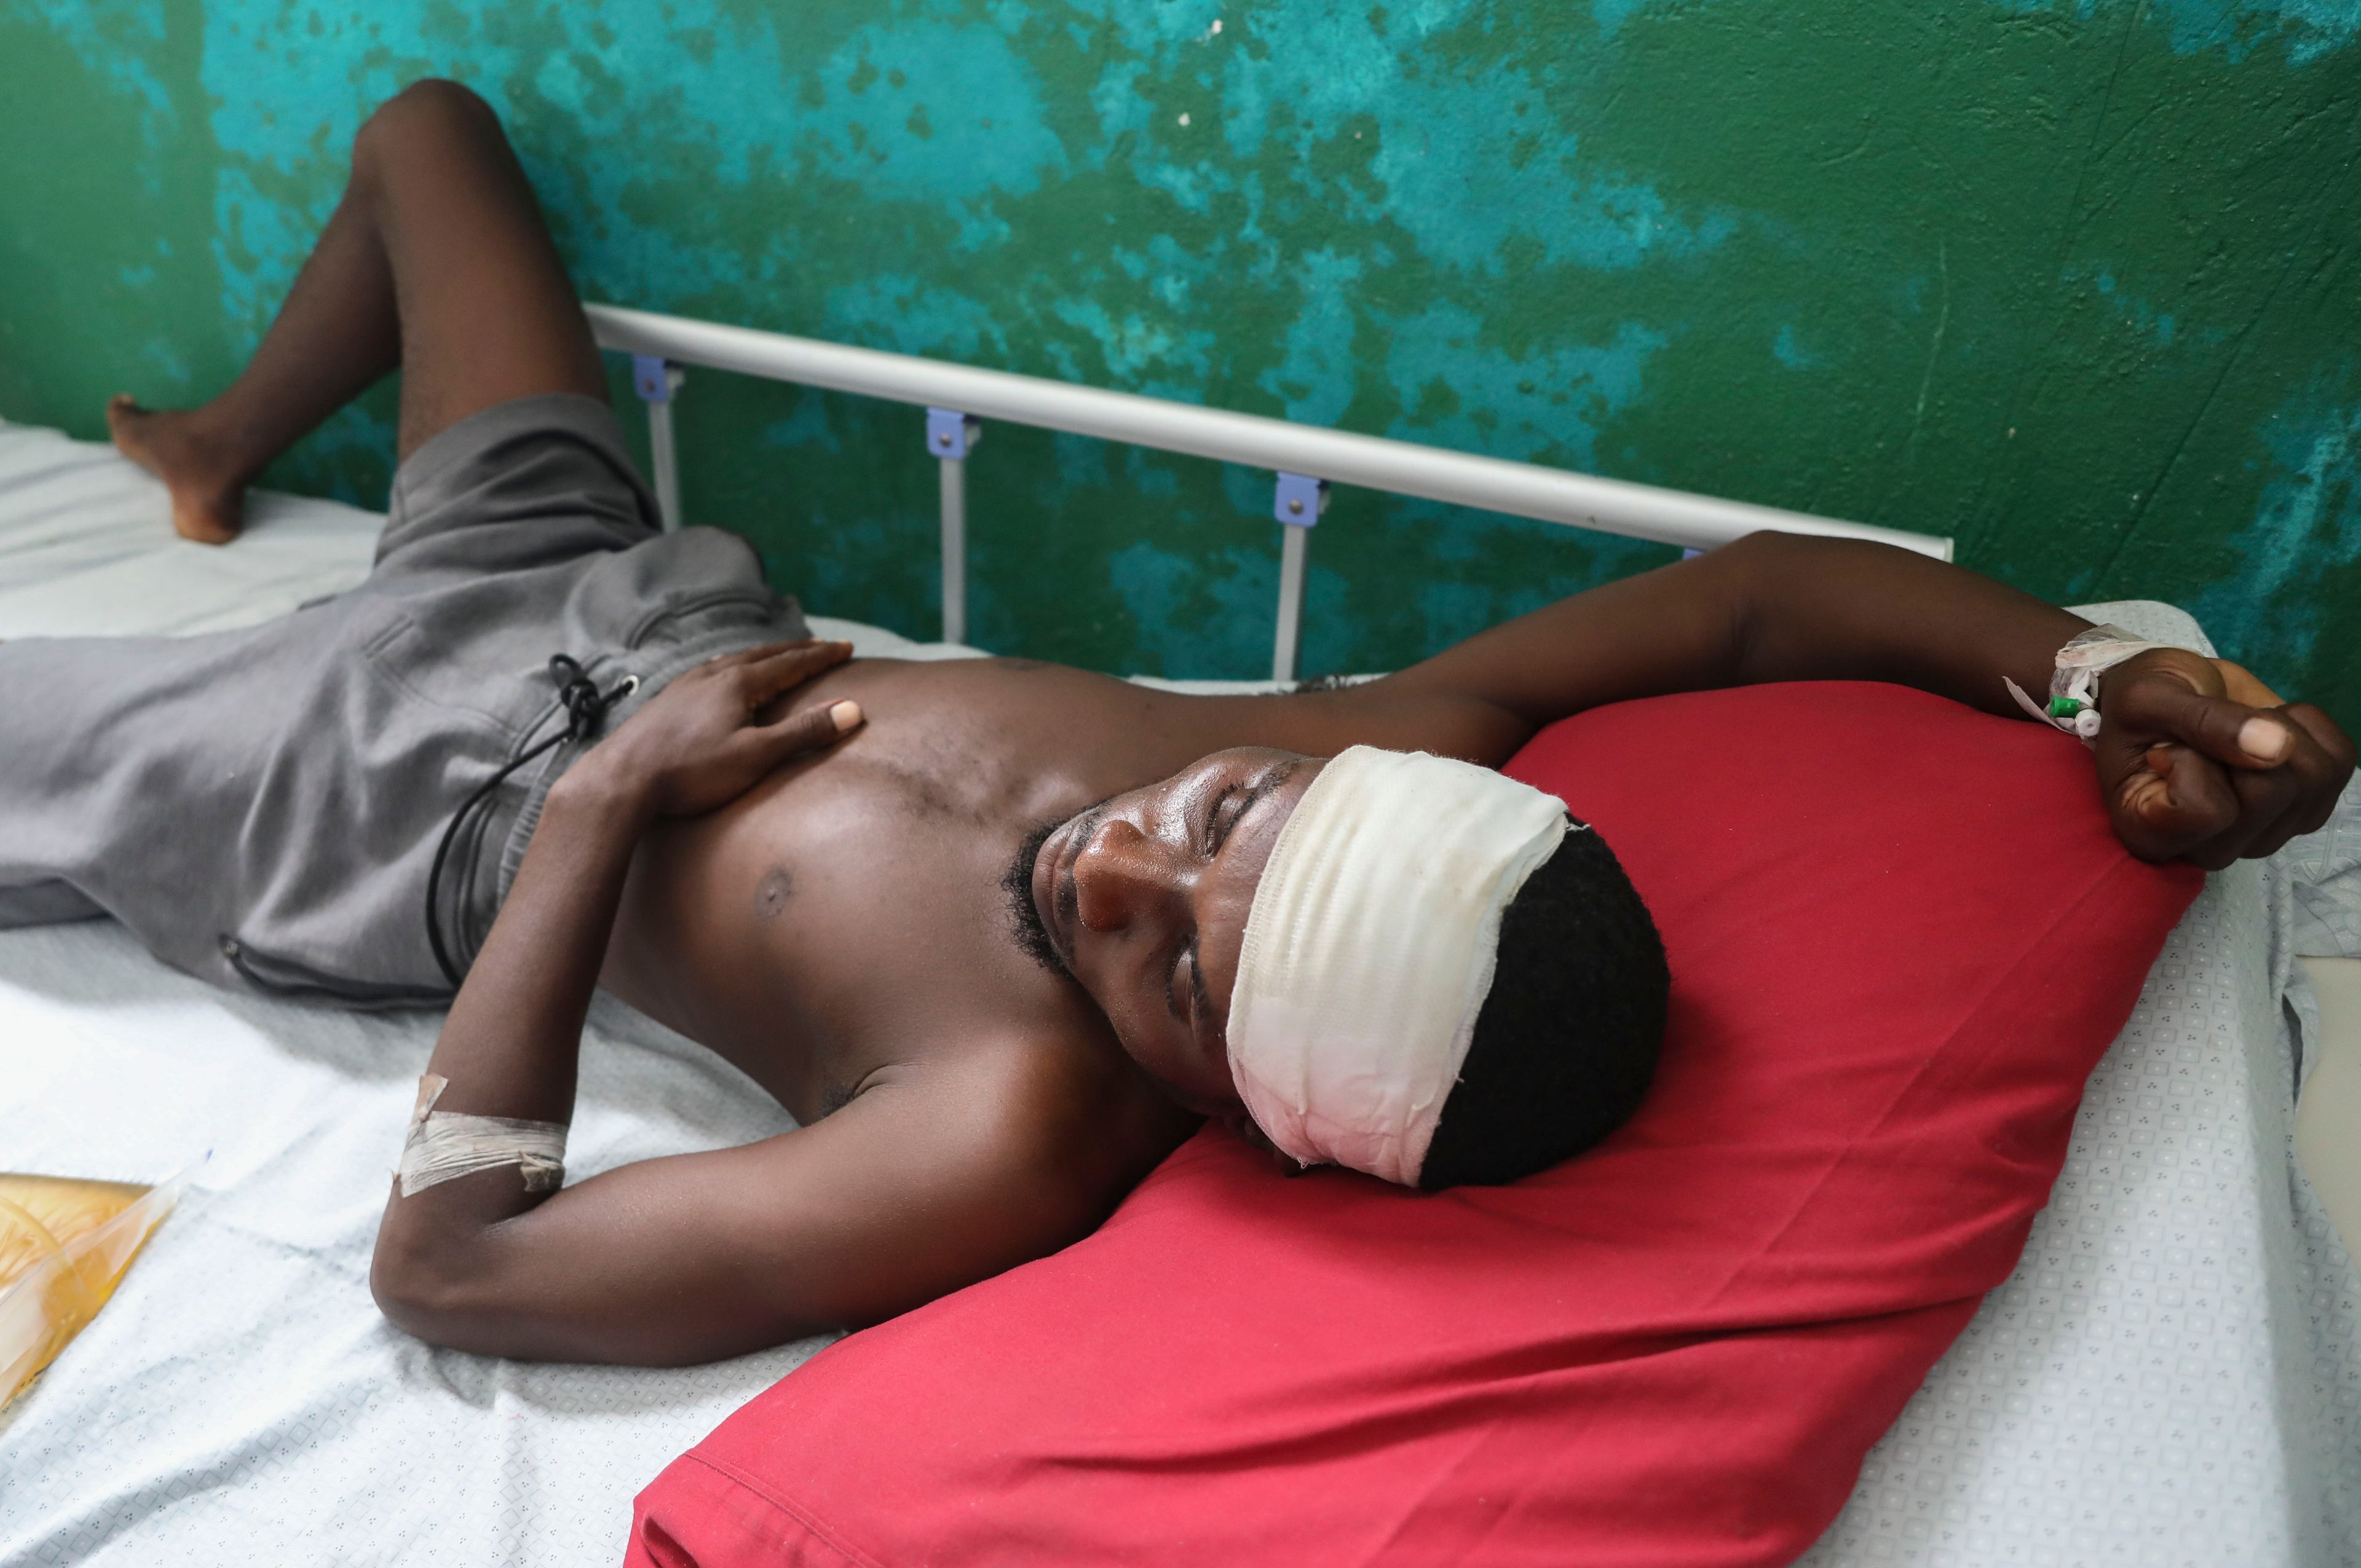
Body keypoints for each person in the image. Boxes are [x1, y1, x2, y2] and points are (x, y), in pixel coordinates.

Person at [7, 81, 2348, 1368]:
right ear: (1322, 760)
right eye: (1215, 803)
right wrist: (2076, 669)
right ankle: (224, 451)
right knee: (429, 131)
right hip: (615, 581)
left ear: (1248, 1110)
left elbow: (457, 1267)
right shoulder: (1370, 749)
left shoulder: (1002, 1131)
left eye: (1172, 974)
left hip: (410, 790)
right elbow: (1741, 611)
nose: (1122, 865)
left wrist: (611, 804)